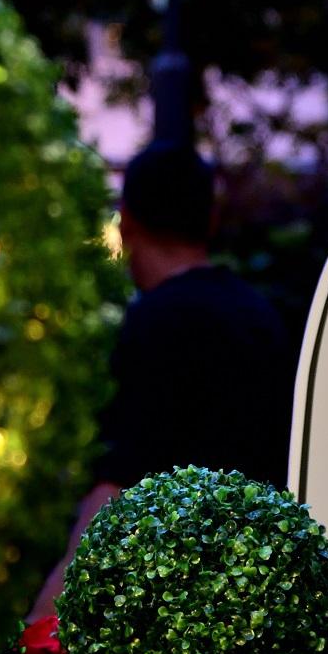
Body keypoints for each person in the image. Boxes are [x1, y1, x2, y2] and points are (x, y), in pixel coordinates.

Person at [28, 143, 292, 619]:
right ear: (211, 220)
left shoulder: (153, 323)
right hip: (262, 590)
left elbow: (121, 477)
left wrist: (46, 616)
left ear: (127, 221)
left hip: (169, 604)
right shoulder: (262, 316)